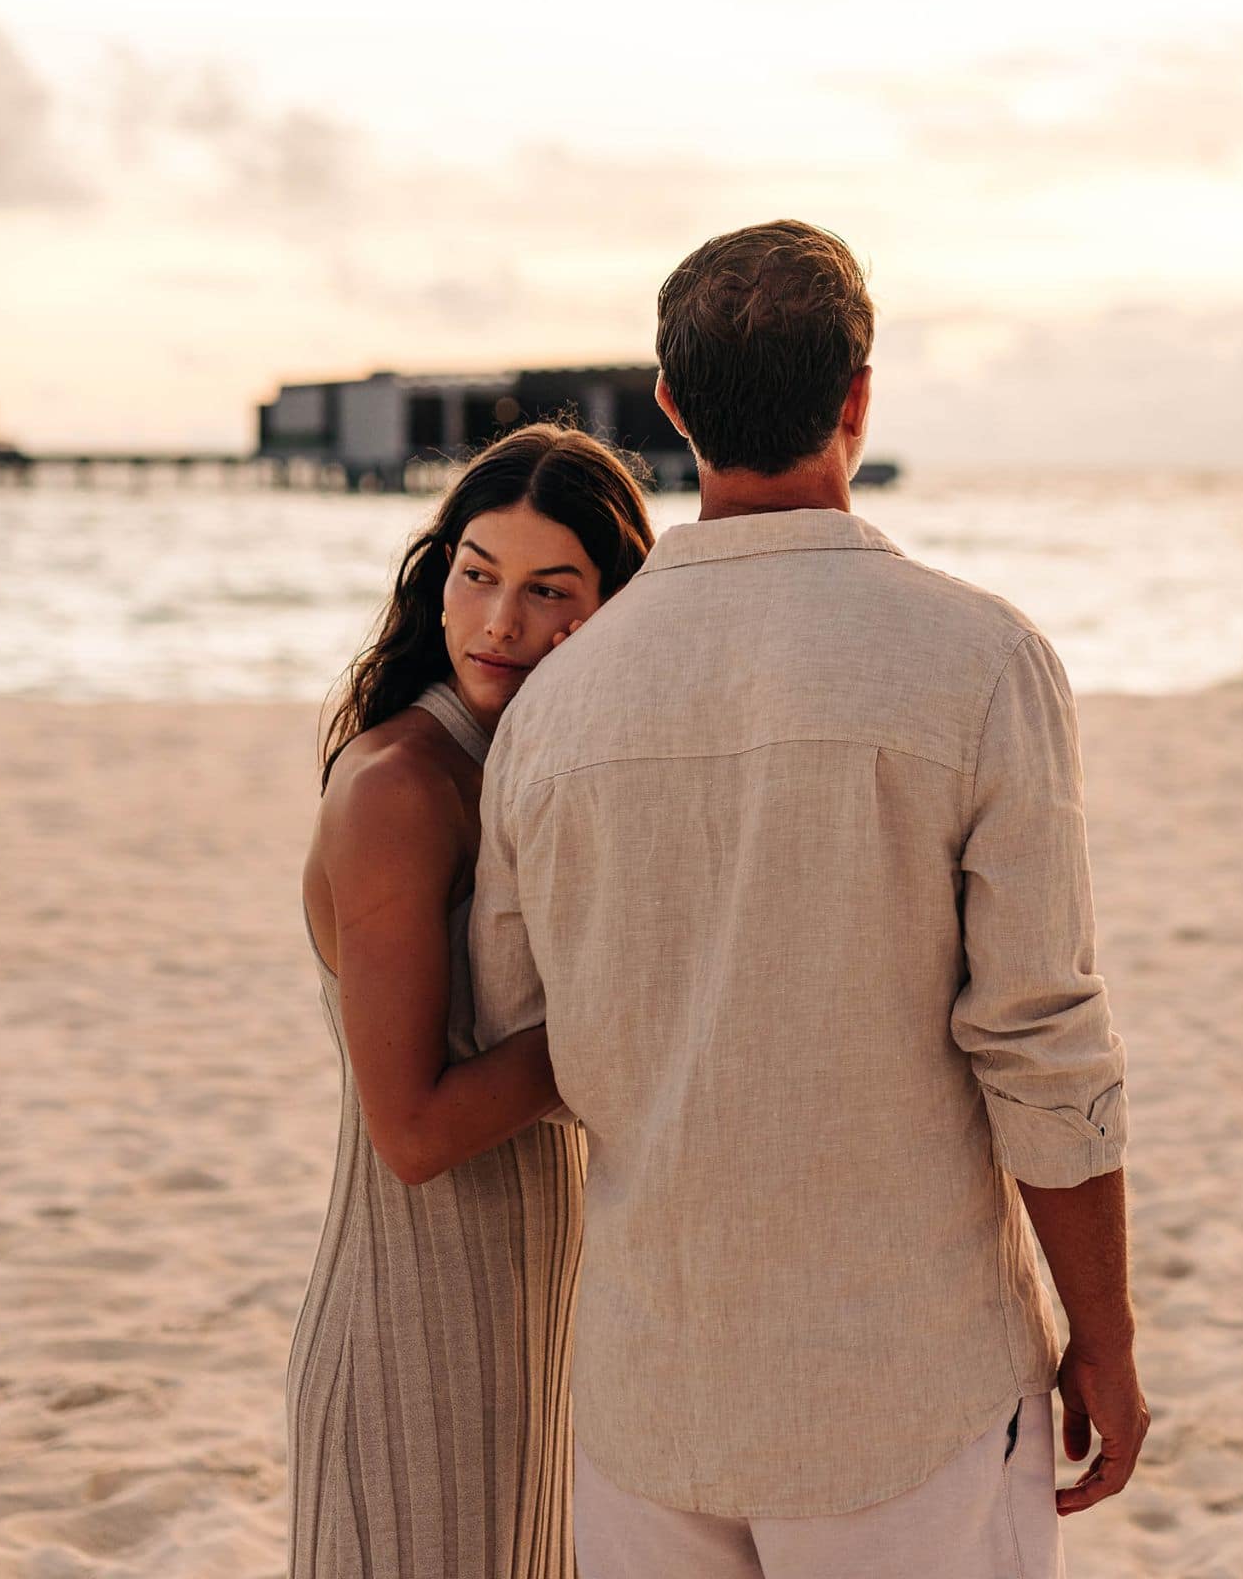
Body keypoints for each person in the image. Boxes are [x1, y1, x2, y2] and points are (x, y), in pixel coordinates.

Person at [470, 220, 1146, 1579]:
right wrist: (1108, 1341)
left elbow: (515, 1021)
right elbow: (1039, 1040)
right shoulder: (979, 660)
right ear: (858, 398)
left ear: (670, 406)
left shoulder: (555, 705)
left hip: (650, 1390)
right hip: (907, 1388)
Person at [288, 423, 654, 1579]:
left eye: (549, 590)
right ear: (438, 576)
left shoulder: (541, 773)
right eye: (478, 575)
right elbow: (412, 1134)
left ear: (609, 611)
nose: (500, 622)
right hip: (413, 1329)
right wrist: (631, 1011)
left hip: (546, 1315)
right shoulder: (401, 786)